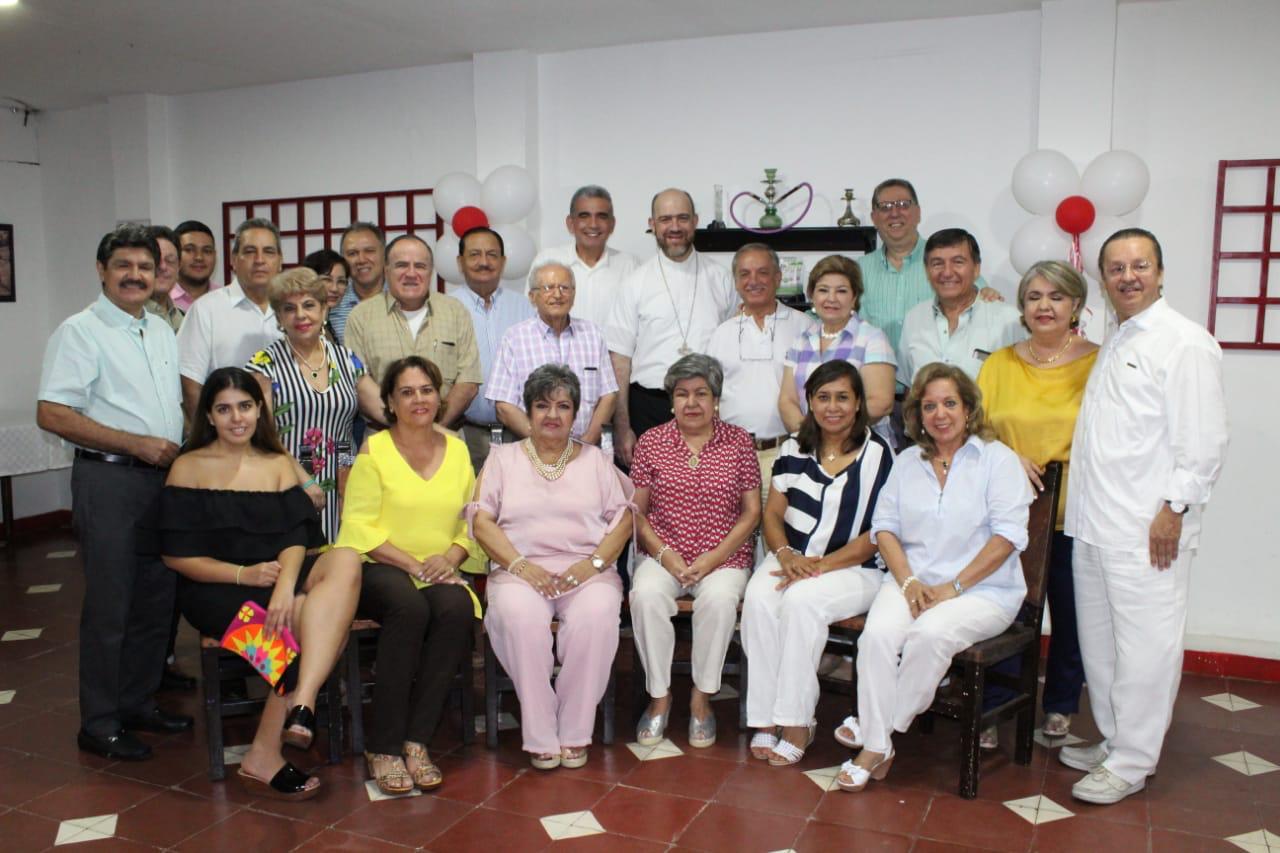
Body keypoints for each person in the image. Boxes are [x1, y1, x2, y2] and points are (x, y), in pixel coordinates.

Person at [1061, 229, 1227, 805]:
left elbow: (1204, 441)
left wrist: (1174, 509)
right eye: (1115, 268)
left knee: (1147, 647)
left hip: (1147, 530)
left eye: (1139, 265)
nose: (1127, 276)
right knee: (1102, 646)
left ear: (1160, 271)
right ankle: (1114, 741)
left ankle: (1133, 761)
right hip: (1094, 524)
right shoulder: (1117, 337)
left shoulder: (1185, 343)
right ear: (1103, 278)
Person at [147, 367, 362, 801]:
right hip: (215, 588)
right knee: (307, 620)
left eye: (245, 406)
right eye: (224, 409)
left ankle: (302, 701)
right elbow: (176, 556)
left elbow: (296, 537)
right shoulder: (188, 468)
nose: (237, 418)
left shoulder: (276, 463)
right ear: (208, 416)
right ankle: (266, 751)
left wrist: (283, 585)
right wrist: (244, 574)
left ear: (259, 409)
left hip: (274, 577)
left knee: (344, 559)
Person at [836, 362, 1032, 793]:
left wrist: (953, 588)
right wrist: (907, 581)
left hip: (983, 591)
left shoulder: (996, 460)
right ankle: (879, 736)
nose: (939, 414)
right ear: (917, 415)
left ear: (968, 408)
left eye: (949, 403)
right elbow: (884, 527)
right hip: (912, 581)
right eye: (929, 406)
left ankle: (875, 738)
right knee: (877, 637)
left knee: (928, 636)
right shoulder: (907, 461)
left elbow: (1008, 538)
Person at [37, 224, 190, 762]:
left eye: (144, 267)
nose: (135, 275)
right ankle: (99, 722)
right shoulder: (79, 331)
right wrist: (137, 444)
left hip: (161, 481)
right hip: (110, 480)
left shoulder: (162, 330)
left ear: (157, 276)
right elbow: (53, 413)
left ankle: (138, 702)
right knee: (111, 604)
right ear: (102, 271)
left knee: (156, 598)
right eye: (123, 266)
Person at [470, 365, 633, 770]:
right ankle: (541, 734)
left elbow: (626, 518)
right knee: (520, 618)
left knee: (595, 618)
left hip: (587, 572)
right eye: (542, 405)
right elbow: (481, 520)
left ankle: (575, 731)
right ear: (528, 411)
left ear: (576, 413)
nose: (553, 415)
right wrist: (520, 565)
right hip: (518, 570)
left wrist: (594, 564)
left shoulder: (596, 460)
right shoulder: (502, 459)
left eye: (563, 406)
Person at [335, 356, 481, 794]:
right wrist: (416, 564)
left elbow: (470, 519)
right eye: (407, 392)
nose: (419, 399)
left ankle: (416, 741)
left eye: (426, 390)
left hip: (439, 567)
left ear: (439, 397)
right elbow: (360, 527)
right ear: (390, 403)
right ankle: (382, 746)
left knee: (455, 607)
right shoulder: (373, 450)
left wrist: (452, 557)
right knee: (409, 607)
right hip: (381, 565)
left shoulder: (457, 450)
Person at [742, 361, 893, 766]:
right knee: (758, 598)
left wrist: (820, 566)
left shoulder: (878, 454)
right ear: (809, 401)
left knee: (800, 602)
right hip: (792, 562)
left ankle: (796, 721)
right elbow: (772, 514)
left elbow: (877, 534)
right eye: (823, 397)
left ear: (859, 402)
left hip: (855, 570)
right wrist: (787, 555)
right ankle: (763, 717)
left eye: (843, 397)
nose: (833, 407)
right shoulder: (794, 447)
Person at [976, 261, 1098, 748]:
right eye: (1034, 297)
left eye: (1056, 297)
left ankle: (1062, 705)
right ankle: (991, 708)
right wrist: (1006, 456)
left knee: (1071, 615)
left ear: (1076, 307)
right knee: (1003, 612)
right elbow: (977, 429)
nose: (1044, 306)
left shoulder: (1098, 362)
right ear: (1022, 308)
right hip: (1008, 514)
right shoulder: (999, 363)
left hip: (1076, 513)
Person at [629, 354, 761, 749]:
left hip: (723, 558)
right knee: (646, 596)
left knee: (719, 602)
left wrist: (711, 559)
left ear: (716, 399)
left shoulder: (738, 442)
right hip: (662, 553)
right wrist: (668, 556)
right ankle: (659, 698)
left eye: (701, 393)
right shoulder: (652, 441)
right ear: (671, 400)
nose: (692, 403)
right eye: (682, 394)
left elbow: (751, 512)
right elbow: (636, 512)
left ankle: (702, 699)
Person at [607, 188, 737, 466]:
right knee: (649, 501)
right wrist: (622, 428)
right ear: (652, 224)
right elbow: (620, 360)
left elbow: (733, 349)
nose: (674, 227)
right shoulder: (634, 283)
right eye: (665, 219)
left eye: (682, 218)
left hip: (708, 408)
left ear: (695, 221)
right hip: (649, 408)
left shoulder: (721, 278)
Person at [245, 268, 377, 540]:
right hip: (288, 479)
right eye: (289, 308)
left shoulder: (346, 358)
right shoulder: (264, 364)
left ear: (324, 309)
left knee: (344, 563)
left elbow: (384, 411)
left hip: (345, 480)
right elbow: (262, 434)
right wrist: (303, 480)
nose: (301, 315)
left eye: (309, 305)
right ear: (279, 318)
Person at [344, 235, 481, 431]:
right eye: (401, 265)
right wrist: (404, 430)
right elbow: (359, 381)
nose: (411, 273)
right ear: (386, 270)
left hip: (445, 437)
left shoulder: (455, 311)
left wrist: (432, 430)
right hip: (384, 440)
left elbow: (468, 381)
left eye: (420, 266)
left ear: (430, 272)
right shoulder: (361, 317)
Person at [706, 243, 811, 497]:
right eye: (744, 274)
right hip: (733, 458)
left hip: (790, 452)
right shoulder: (722, 333)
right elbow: (711, 396)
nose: (753, 281)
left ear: (778, 277)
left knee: (783, 534)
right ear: (736, 282)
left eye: (762, 272)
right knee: (739, 535)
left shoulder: (804, 326)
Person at [857, 179, 1000, 357]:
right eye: (885, 207)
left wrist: (988, 294)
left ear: (918, 213)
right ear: (874, 218)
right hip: (874, 378)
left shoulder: (945, 262)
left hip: (936, 376)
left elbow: (985, 304)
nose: (894, 213)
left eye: (903, 204)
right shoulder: (857, 271)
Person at [487, 261, 618, 444]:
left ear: (573, 294)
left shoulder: (593, 334)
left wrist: (586, 444)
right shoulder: (514, 338)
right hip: (533, 450)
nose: (558, 295)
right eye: (548, 288)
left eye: (565, 288)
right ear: (532, 296)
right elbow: (503, 405)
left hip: (586, 449)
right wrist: (543, 443)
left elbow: (609, 396)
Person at [778, 255, 895, 446]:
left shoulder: (872, 338)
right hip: (810, 447)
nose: (831, 299)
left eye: (841, 291)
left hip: (862, 449)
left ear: (854, 297)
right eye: (823, 290)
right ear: (812, 295)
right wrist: (810, 437)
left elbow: (880, 402)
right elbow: (787, 401)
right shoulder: (801, 341)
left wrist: (834, 437)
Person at [177, 218, 285, 420]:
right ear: (234, 260)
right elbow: (190, 386)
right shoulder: (206, 309)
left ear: (280, 261)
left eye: (269, 252)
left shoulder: (291, 311)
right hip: (227, 439)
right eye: (250, 251)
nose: (259, 259)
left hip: (290, 437)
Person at [896, 229, 1024, 388]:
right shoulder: (914, 318)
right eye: (937, 263)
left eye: (958, 262)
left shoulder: (1009, 320)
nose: (947, 272)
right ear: (927, 271)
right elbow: (911, 389)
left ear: (976, 268)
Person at [453, 226, 535, 471]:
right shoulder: (446, 308)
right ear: (460, 262)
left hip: (520, 434)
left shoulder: (526, 308)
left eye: (492, 254)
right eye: (474, 254)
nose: (484, 262)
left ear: (503, 261)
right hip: (465, 434)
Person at [529, 185, 637, 328]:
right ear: (570, 223)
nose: (593, 224)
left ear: (612, 224)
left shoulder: (629, 266)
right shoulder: (547, 260)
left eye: (601, 216)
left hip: (611, 351)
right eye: (584, 216)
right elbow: (531, 315)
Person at [331, 222, 387, 343]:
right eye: (352, 253)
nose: (361, 259)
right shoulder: (333, 303)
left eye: (369, 251)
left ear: (384, 255)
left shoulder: (402, 299)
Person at [302, 248, 351, 343]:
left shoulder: (327, 323)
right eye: (327, 280)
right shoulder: (302, 323)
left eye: (341, 281)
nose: (334, 288)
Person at [171, 220, 220, 311]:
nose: (199, 257)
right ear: (174, 254)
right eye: (189, 250)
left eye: (207, 251)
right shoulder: (162, 299)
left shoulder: (226, 300)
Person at [144, 225, 184, 332]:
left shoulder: (184, 319)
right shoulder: (129, 317)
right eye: (156, 259)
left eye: (170, 260)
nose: (162, 267)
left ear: (179, 267)